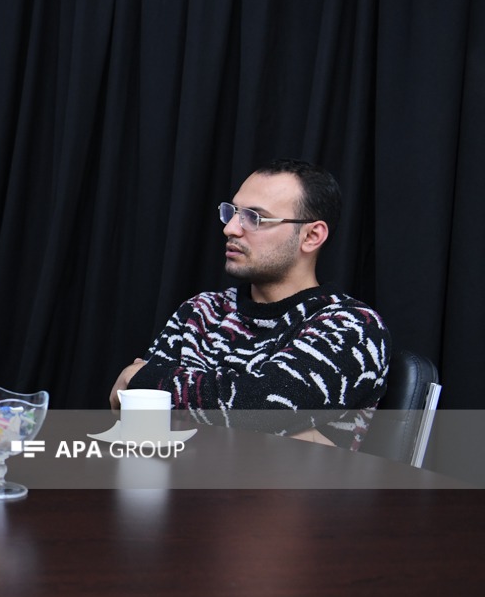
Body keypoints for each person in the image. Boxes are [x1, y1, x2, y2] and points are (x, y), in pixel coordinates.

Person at [108, 159, 390, 448]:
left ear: (311, 236)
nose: (230, 229)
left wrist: (145, 378)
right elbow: (139, 418)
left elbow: (265, 407)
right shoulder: (201, 311)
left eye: (254, 218)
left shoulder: (351, 326)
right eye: (232, 212)